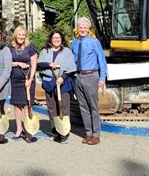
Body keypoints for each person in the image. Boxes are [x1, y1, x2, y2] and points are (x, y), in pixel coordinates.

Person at [71, 17, 107, 145]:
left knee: (93, 107)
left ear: (88, 28)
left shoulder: (94, 42)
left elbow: (102, 60)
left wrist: (102, 78)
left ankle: (96, 135)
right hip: (78, 76)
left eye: (85, 27)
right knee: (83, 107)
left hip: (91, 76)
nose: (82, 29)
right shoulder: (74, 43)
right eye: (80, 27)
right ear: (78, 28)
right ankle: (88, 133)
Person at [37, 30, 76, 143]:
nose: (57, 40)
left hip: (63, 83)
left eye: (59, 38)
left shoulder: (67, 51)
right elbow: (39, 64)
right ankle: (55, 132)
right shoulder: (45, 51)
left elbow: (71, 68)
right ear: (51, 39)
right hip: (49, 82)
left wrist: (62, 78)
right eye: (54, 38)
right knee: (52, 108)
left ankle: (64, 132)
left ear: (62, 39)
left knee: (63, 107)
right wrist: (49, 65)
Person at [9, 26, 38, 143]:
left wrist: (30, 79)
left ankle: (28, 130)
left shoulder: (30, 47)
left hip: (27, 80)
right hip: (15, 80)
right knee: (16, 105)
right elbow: (6, 62)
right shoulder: (10, 48)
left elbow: (34, 64)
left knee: (27, 105)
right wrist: (17, 63)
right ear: (15, 35)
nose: (21, 37)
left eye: (23, 35)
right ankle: (19, 129)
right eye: (19, 35)